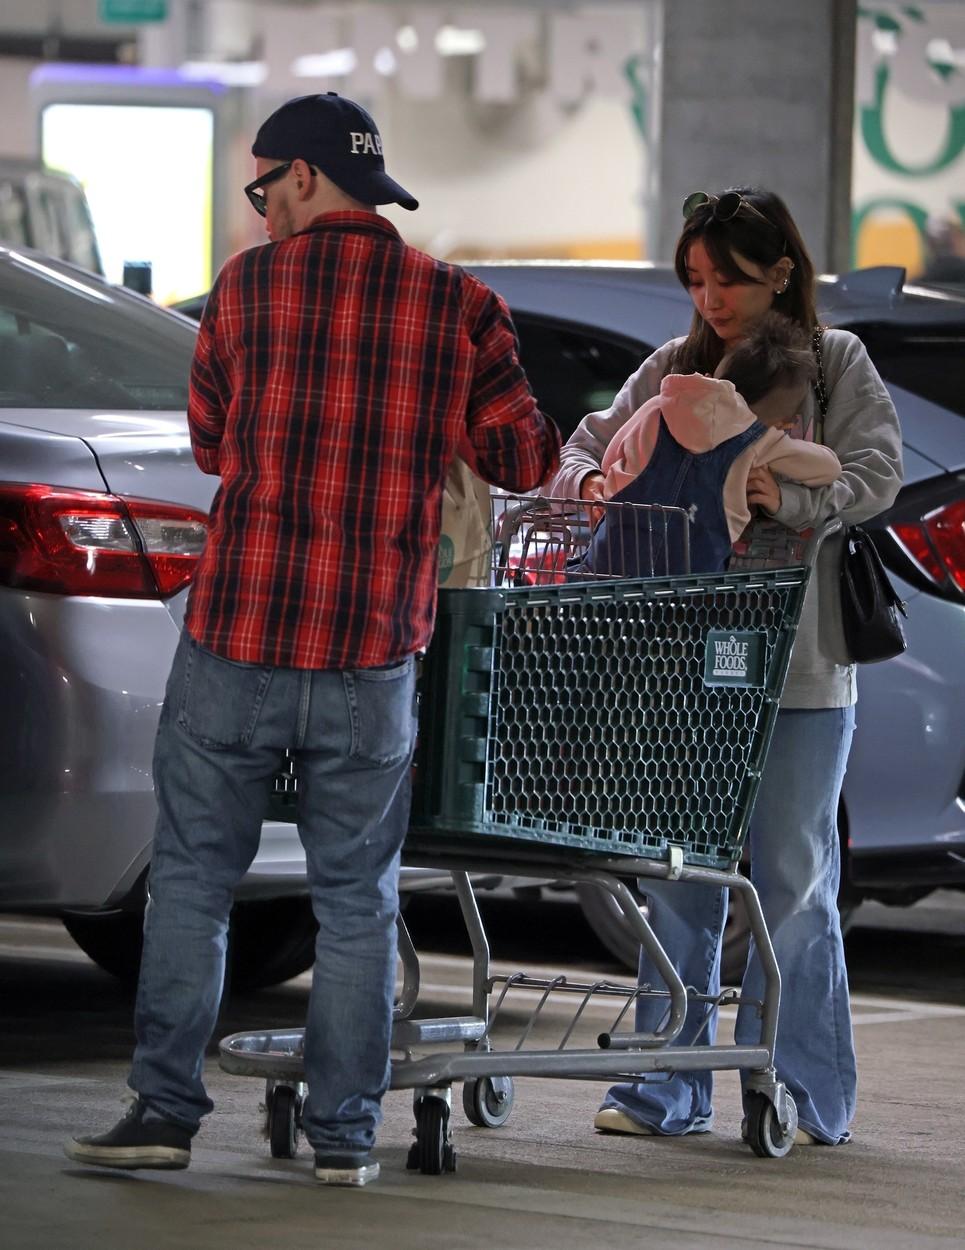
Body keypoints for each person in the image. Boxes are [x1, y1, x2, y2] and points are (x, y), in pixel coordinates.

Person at [65, 92, 560, 1187]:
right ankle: (342, 1136)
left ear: (303, 176)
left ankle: (163, 1112)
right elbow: (523, 457)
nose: (260, 212)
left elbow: (209, 444)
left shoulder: (243, 292)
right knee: (356, 900)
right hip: (369, 651)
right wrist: (429, 407)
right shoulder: (456, 303)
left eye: (262, 187)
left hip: (237, 634)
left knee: (192, 883)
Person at [551, 187, 902, 1146]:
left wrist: (787, 499)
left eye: (730, 281)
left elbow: (875, 474)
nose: (710, 300)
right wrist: (598, 484)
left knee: (793, 881)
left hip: (800, 669)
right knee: (676, 877)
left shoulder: (834, 362)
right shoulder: (674, 368)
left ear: (781, 273)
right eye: (696, 281)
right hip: (680, 665)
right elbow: (582, 448)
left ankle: (800, 1090)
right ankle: (665, 1086)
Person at [580, 310, 842, 577]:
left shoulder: (659, 406)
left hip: (612, 562)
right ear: (780, 421)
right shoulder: (759, 438)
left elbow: (611, 457)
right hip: (691, 582)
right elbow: (829, 469)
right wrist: (778, 439)